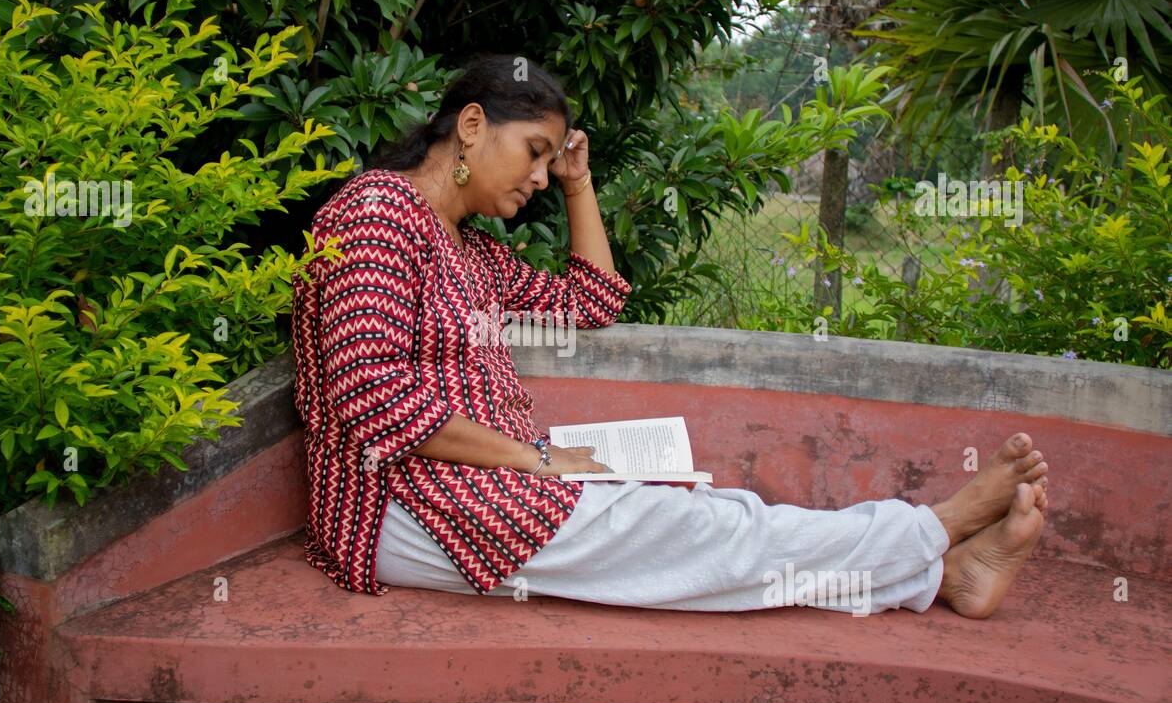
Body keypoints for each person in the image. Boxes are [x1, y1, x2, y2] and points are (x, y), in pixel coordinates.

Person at [289, 52, 1050, 619]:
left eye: (554, 164)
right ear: (472, 125)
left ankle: (942, 575)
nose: (542, 178)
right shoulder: (377, 214)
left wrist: (583, 183)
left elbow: (590, 298)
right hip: (400, 506)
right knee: (697, 529)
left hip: (477, 484)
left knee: (700, 521)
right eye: (535, 154)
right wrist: (537, 458)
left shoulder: (469, 249)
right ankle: (934, 532)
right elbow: (373, 398)